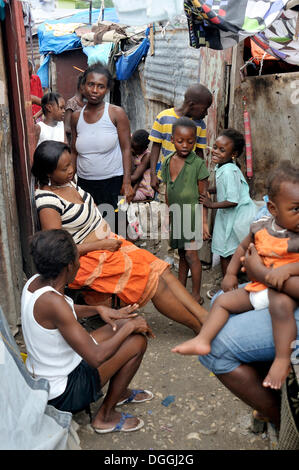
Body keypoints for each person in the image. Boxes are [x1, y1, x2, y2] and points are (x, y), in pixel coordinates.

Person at [31, 140, 209, 334]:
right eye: (64, 168)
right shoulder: (47, 200)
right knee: (152, 282)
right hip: (87, 258)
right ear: (49, 173)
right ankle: (198, 326)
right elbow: (57, 252)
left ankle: (203, 316)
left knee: (161, 269)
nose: (71, 170)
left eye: (71, 164)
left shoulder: (67, 182)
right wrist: (101, 244)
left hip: (107, 243)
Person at [173, 161, 299, 390]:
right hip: (259, 287)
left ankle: (282, 360)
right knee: (221, 300)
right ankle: (202, 339)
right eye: (296, 209)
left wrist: (288, 270)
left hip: (283, 290)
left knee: (281, 308)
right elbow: (242, 248)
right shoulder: (262, 225)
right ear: (273, 209)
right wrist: (230, 274)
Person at [22, 228, 154, 433]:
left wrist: (99, 309)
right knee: (136, 340)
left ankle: (119, 393)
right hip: (64, 391)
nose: (80, 262)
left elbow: (64, 312)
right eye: (77, 259)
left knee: (124, 324)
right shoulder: (53, 302)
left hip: (49, 373)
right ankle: (105, 417)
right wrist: (129, 328)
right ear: (68, 266)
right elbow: (96, 357)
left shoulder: (35, 283)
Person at [199, 128, 257, 298]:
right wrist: (211, 189)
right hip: (235, 215)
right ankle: (237, 283)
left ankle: (227, 288)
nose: (216, 151)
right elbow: (226, 188)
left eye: (222, 150)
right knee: (233, 251)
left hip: (235, 216)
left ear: (234, 154)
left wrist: (211, 204)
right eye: (215, 147)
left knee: (225, 253)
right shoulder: (224, 167)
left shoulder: (228, 171)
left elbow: (233, 200)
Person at [70, 62, 134, 211]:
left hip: (114, 183)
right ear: (82, 87)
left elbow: (126, 149)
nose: (94, 90)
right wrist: (70, 182)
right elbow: (73, 151)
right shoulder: (75, 117)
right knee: (91, 228)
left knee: (116, 227)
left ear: (107, 89)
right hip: (85, 184)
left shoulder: (116, 113)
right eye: (90, 84)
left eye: (100, 86)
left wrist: (127, 183)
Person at [161, 118, 210, 305]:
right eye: (180, 141)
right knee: (182, 254)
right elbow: (167, 191)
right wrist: (168, 215)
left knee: (191, 255)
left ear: (195, 142)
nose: (185, 145)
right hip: (177, 215)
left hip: (192, 216)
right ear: (172, 139)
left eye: (190, 141)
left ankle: (195, 294)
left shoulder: (197, 164)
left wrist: (204, 222)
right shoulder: (167, 162)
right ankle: (180, 291)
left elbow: (203, 195)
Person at [149, 83, 213, 193]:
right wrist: (153, 174)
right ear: (192, 104)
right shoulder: (163, 117)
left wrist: (201, 178)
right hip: (165, 179)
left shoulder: (200, 125)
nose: (206, 113)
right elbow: (155, 147)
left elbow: (199, 153)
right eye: (204, 109)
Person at [131, 129, 155, 202]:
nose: (131, 148)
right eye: (131, 145)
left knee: (124, 199)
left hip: (143, 190)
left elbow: (135, 177)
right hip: (133, 186)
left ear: (143, 148)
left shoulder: (147, 156)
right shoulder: (132, 140)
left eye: (134, 148)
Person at [64, 75, 86, 146]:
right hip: (74, 143)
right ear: (82, 87)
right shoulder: (72, 102)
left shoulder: (87, 103)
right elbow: (66, 127)